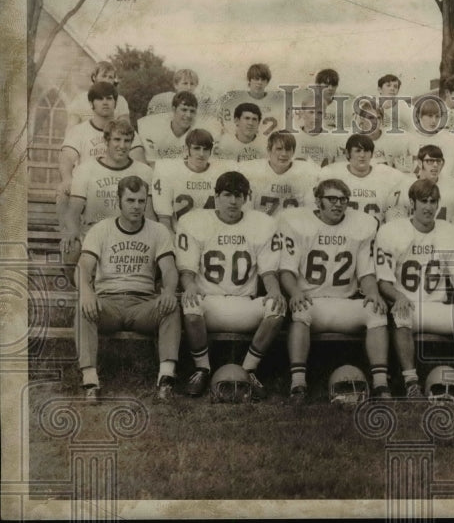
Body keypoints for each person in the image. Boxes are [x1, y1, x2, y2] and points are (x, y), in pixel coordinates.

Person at [176, 171, 286, 400]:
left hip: (244, 302)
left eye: (239, 195)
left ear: (246, 198)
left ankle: (248, 370)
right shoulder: (195, 222)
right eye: (227, 195)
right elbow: (187, 271)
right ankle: (202, 369)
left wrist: (274, 290)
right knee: (190, 304)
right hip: (209, 301)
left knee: (278, 306)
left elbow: (268, 272)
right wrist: (189, 286)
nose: (233, 201)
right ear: (216, 196)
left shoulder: (261, 224)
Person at [277, 178, 390, 402]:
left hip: (344, 302)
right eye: (332, 199)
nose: (338, 204)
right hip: (311, 301)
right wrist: (295, 292)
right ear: (318, 201)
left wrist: (373, 293)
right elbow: (286, 271)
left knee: (377, 312)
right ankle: (298, 382)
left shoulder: (361, 226)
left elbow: (365, 273)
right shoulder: (298, 224)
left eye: (343, 200)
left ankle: (380, 383)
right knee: (300, 313)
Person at [75, 175, 181, 401]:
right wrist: (86, 291)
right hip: (108, 303)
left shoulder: (158, 231)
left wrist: (169, 291)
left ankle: (166, 378)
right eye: (130, 201)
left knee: (171, 306)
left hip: (142, 304)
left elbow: (170, 269)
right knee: (83, 307)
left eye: (141, 201)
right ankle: (90, 380)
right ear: (118, 201)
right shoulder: (101, 229)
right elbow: (84, 266)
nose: (136, 206)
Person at [376, 179, 454, 398]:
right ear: (412, 203)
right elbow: (384, 281)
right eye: (423, 201)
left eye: (433, 201)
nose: (429, 207)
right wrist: (398, 297)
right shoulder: (392, 231)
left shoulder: (452, 233)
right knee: (401, 316)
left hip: (437, 305)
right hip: (407, 304)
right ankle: (411, 383)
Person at [61, 119, 155, 275]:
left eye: (127, 141)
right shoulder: (86, 169)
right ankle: (78, 290)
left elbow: (149, 214)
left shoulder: (144, 171)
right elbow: (73, 212)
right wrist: (71, 231)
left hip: (129, 234)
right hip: (94, 234)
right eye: (117, 140)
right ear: (106, 141)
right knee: (72, 245)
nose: (122, 146)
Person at [58, 82, 122, 224]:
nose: (105, 102)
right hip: (88, 188)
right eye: (99, 98)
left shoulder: (125, 132)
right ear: (91, 103)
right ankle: (68, 237)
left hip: (115, 188)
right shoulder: (79, 131)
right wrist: (67, 178)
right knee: (63, 191)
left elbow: (138, 159)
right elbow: (67, 157)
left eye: (109, 98)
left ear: (115, 102)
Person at [151, 128, 236, 232]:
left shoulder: (221, 172)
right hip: (180, 237)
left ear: (211, 151)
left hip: (213, 237)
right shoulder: (170, 171)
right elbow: (164, 219)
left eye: (205, 149)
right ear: (187, 150)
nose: (201, 154)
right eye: (196, 148)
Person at [319, 134, 406, 223]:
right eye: (358, 151)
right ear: (348, 153)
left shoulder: (388, 175)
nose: (362, 155)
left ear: (372, 154)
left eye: (366, 151)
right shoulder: (333, 173)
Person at [239, 131, 320, 216]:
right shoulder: (254, 170)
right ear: (269, 150)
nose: (284, 154)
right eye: (279, 149)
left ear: (293, 152)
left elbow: (310, 212)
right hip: (262, 226)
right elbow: (246, 211)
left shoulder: (305, 172)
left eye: (288, 149)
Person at [131, 91, 219, 166]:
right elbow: (149, 162)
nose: (188, 115)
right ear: (174, 109)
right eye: (184, 110)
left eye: (192, 111)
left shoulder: (201, 129)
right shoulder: (153, 127)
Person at [386, 144, 454, 226]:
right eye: (430, 161)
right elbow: (394, 222)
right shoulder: (404, 186)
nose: (435, 165)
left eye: (438, 161)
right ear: (420, 163)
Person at [215, 63, 286, 137]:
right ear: (249, 80)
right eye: (256, 79)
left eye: (263, 79)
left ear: (267, 82)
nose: (259, 82)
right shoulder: (236, 99)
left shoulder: (275, 101)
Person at [66, 61, 131, 126]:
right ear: (94, 77)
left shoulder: (120, 101)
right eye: (104, 76)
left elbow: (125, 129)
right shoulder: (80, 100)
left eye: (110, 77)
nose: (107, 80)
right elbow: (71, 130)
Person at [147, 68, 211, 116]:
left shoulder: (201, 104)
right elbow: (151, 121)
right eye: (185, 83)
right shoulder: (163, 100)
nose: (189, 87)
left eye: (192, 84)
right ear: (176, 85)